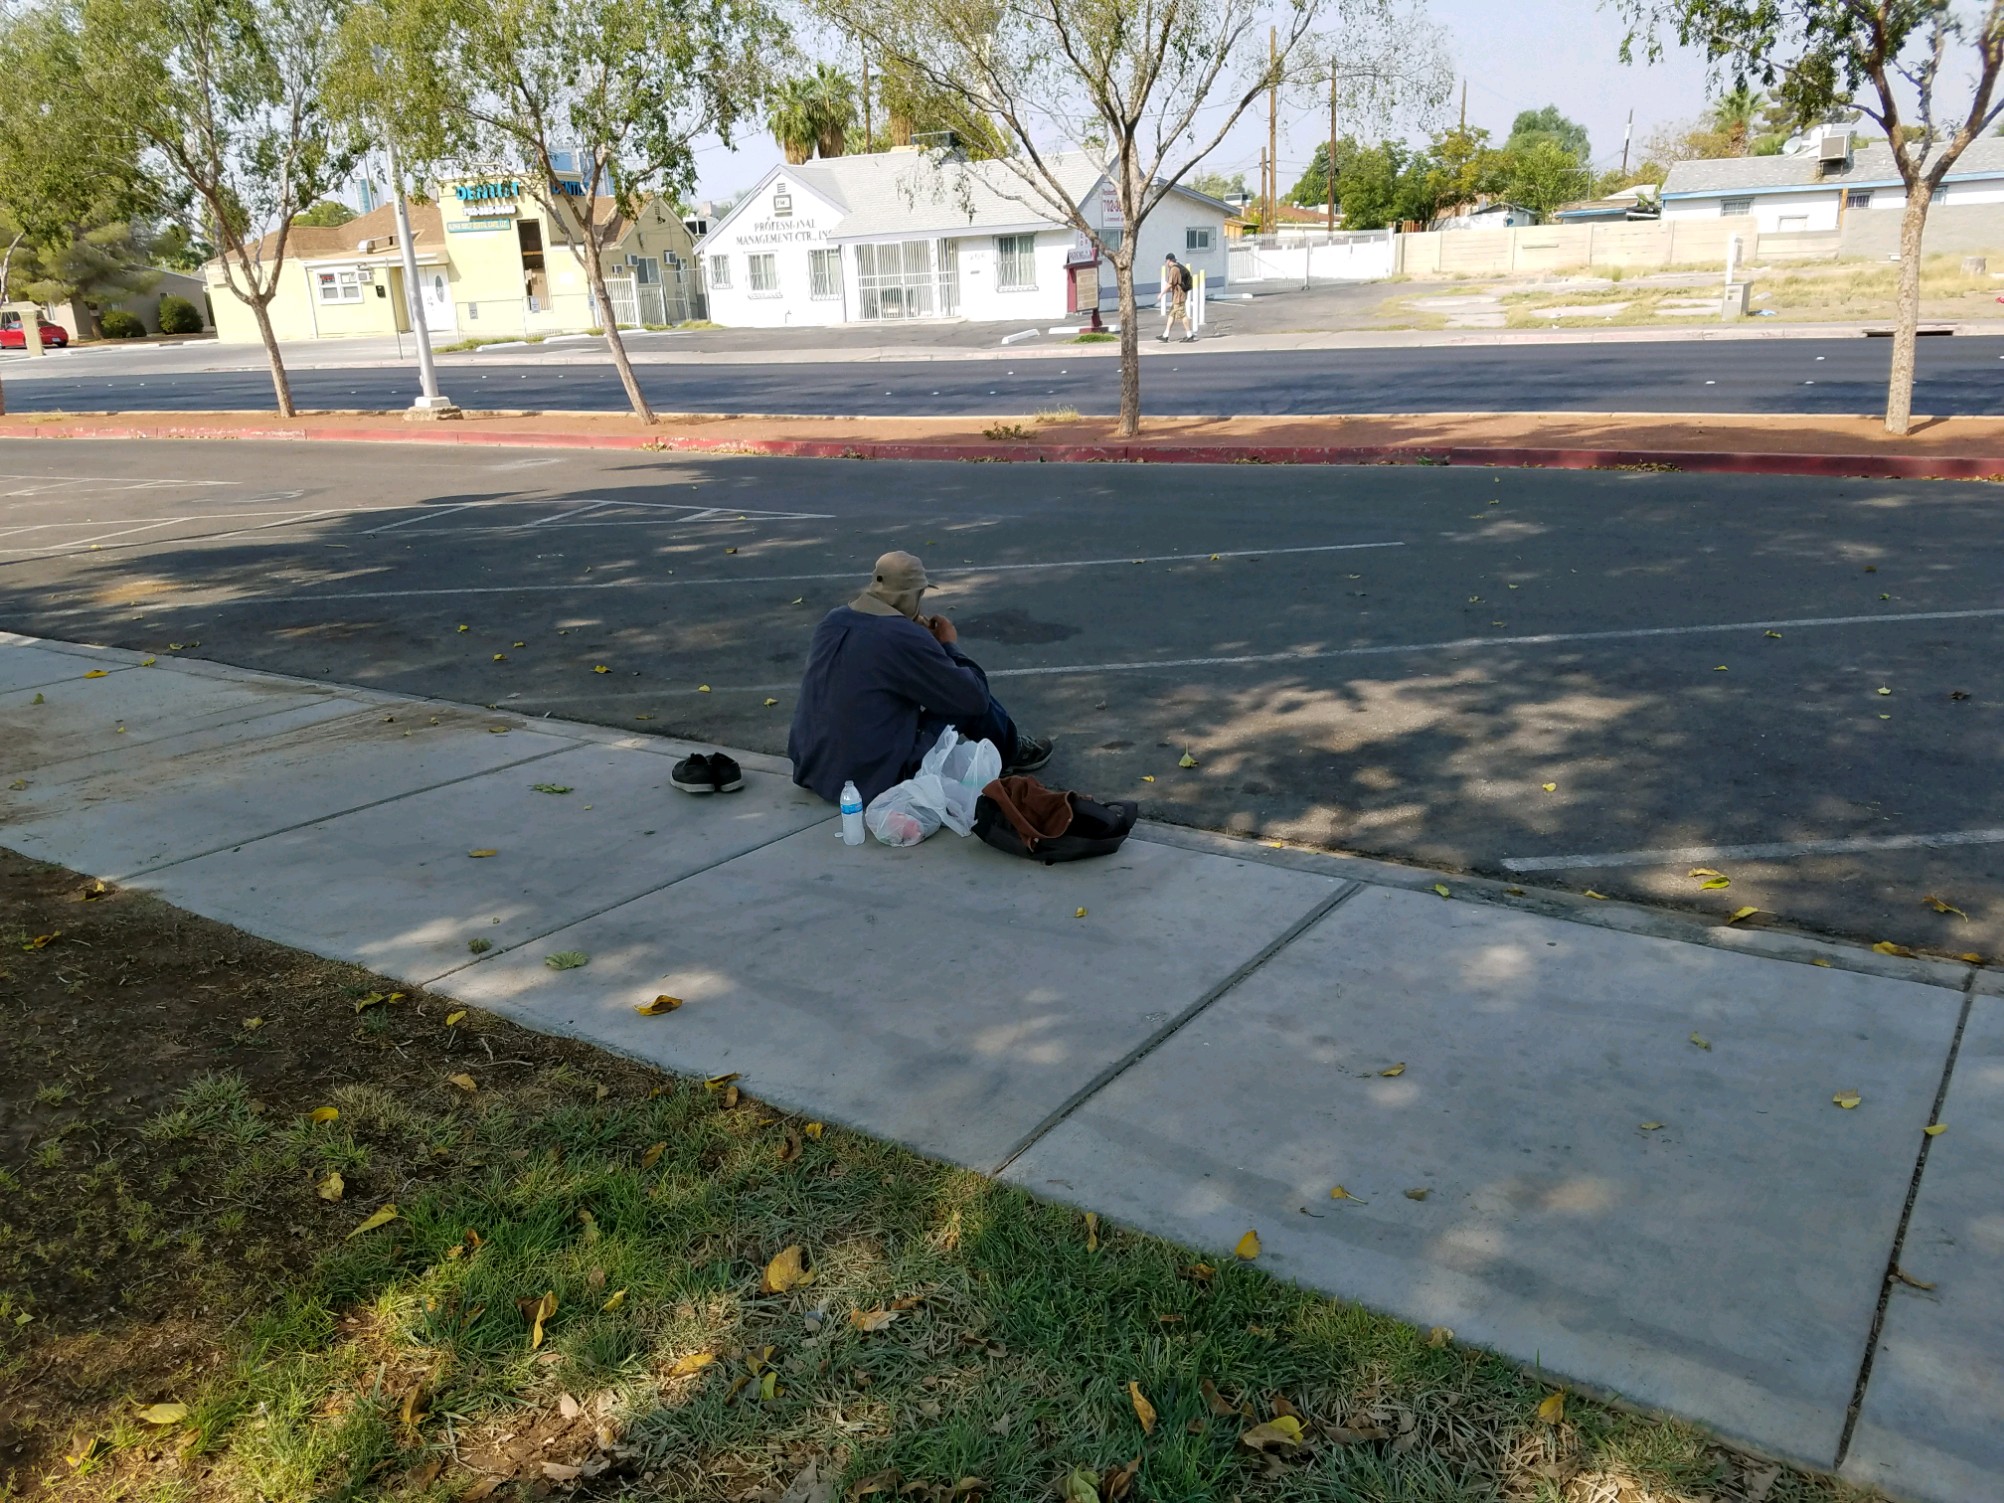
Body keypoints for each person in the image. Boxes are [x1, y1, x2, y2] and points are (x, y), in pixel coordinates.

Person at [788, 551, 1054, 806]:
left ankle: (1010, 745)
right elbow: (973, 698)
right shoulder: (902, 636)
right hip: (869, 780)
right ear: (912, 595)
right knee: (967, 694)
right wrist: (948, 645)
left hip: (813, 768)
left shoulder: (833, 620)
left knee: (943, 687)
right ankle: (1011, 751)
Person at [1159, 252, 1194, 343]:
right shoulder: (1178, 266)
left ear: (1169, 261)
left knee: (1182, 315)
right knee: (1172, 314)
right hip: (1177, 295)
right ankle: (1165, 335)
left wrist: (1161, 294)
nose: (1166, 263)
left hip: (1179, 296)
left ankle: (1189, 335)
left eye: (1166, 261)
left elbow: (1170, 284)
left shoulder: (1174, 269)